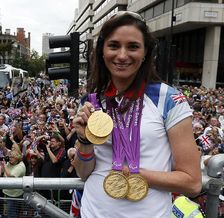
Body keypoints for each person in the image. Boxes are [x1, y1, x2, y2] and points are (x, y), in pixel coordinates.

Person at [72, 11, 201, 217]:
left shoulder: (168, 99)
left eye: (133, 47)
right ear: (102, 51)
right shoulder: (92, 101)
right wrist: (84, 140)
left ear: (145, 53)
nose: (122, 55)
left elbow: (192, 183)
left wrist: (133, 174)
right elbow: (84, 173)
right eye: (114, 45)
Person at [0, 149, 26, 218]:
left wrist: (5, 165)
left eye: (12, 157)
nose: (10, 159)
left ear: (17, 158)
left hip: (14, 195)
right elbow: (4, 171)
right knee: (7, 213)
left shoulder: (21, 166)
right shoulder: (10, 163)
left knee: (12, 214)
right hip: (7, 192)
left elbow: (10, 176)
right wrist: (2, 165)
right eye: (10, 157)